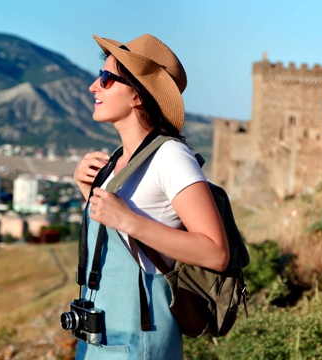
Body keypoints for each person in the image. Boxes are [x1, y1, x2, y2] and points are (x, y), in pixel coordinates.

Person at [71, 34, 230, 359]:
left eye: (105, 78)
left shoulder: (171, 157)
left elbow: (216, 252)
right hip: (97, 338)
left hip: (138, 340)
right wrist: (89, 192)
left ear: (137, 96)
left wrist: (128, 220)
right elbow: (119, 241)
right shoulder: (118, 161)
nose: (93, 87)